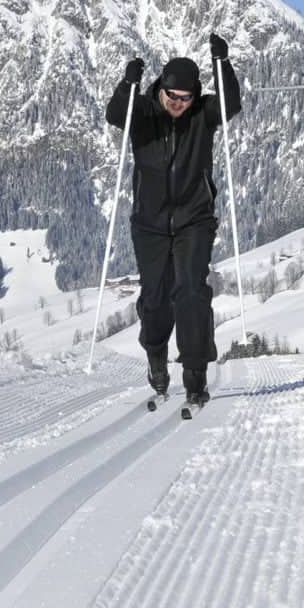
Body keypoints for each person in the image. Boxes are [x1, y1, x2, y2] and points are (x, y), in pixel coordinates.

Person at [106, 33, 242, 403]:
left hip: (194, 219)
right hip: (149, 223)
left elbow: (230, 105)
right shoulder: (143, 110)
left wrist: (223, 64)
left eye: (186, 98)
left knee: (191, 292)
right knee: (156, 297)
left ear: (195, 95)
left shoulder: (203, 114)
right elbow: (115, 114)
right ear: (161, 89)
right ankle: (156, 356)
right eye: (172, 96)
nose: (178, 104)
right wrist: (127, 84)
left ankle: (195, 374)